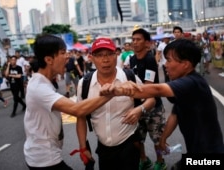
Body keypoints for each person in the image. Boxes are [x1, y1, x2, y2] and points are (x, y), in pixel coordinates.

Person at [100, 39, 224, 169]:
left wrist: (120, 90)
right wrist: (163, 138)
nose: (165, 65)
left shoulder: (193, 82)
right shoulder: (184, 87)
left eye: (169, 60)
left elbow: (158, 89)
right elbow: (175, 114)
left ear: (186, 64)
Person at [23, 34, 113, 170]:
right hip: (44, 160)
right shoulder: (39, 88)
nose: (68, 57)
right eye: (63, 53)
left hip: (44, 156)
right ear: (48, 59)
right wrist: (111, 94)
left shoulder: (43, 83)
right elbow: (78, 110)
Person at [76, 37, 156, 170]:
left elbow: (151, 98)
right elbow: (81, 116)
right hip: (103, 148)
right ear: (92, 58)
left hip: (129, 144)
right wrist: (83, 147)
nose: (105, 60)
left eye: (109, 54)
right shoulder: (84, 84)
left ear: (116, 55)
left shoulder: (129, 77)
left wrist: (140, 109)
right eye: (100, 55)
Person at [129, 28, 167, 170]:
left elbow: (148, 86)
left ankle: (160, 161)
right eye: (133, 39)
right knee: (137, 139)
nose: (135, 42)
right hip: (137, 106)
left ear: (147, 43)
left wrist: (131, 91)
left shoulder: (150, 59)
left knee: (157, 138)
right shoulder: (131, 59)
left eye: (138, 39)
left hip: (153, 107)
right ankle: (144, 160)